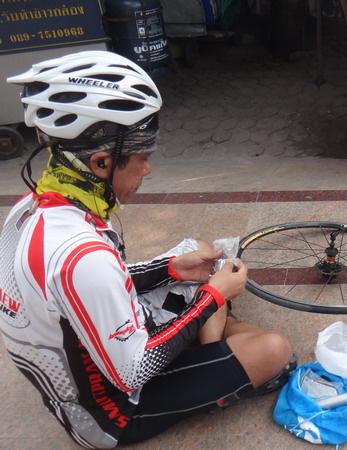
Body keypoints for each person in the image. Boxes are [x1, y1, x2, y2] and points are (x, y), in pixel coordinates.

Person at [0, 51, 295, 448]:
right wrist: (211, 298)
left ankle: (214, 340)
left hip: (93, 348)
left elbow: (93, 290)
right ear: (101, 163)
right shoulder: (81, 257)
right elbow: (134, 371)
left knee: (198, 251)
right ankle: (217, 347)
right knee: (275, 349)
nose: (148, 169)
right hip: (111, 413)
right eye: (141, 159)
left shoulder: (34, 208)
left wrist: (171, 268)